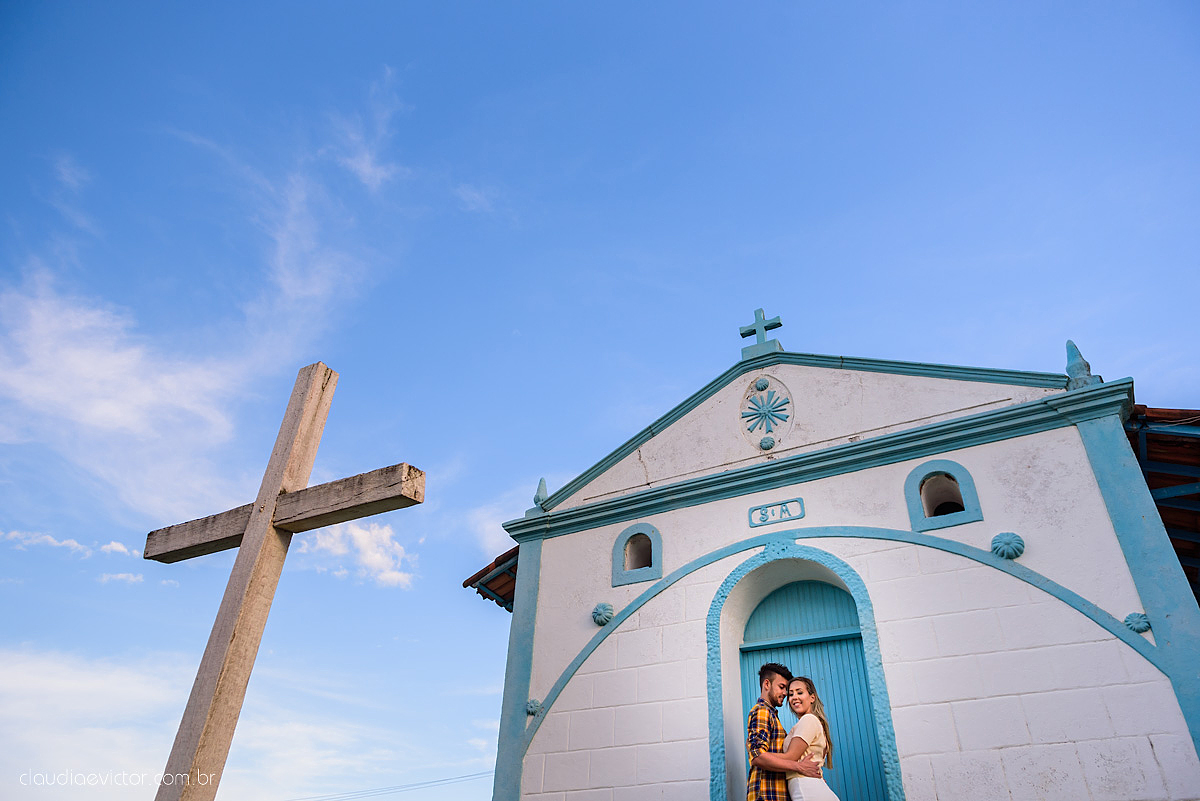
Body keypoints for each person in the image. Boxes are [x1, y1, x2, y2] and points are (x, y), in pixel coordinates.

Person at [746, 663, 823, 801]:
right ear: (767, 684)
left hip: (776, 792)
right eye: (782, 687)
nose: (785, 693)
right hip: (766, 794)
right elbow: (758, 757)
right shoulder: (762, 711)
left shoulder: (772, 715)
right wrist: (798, 766)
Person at [780, 676, 839, 801]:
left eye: (799, 692)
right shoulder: (811, 722)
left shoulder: (809, 719)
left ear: (812, 698)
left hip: (806, 788)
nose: (794, 697)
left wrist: (760, 756)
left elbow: (790, 758)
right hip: (812, 787)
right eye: (791, 694)